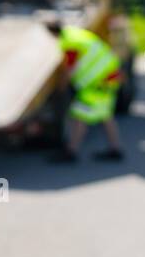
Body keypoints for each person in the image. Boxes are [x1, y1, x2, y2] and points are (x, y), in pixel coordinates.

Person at [44, 18, 124, 162]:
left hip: (98, 81)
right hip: (109, 76)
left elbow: (70, 68)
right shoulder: (75, 33)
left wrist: (62, 87)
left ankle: (71, 151)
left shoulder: (69, 42)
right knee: (105, 114)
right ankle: (115, 148)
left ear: (52, 33)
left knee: (80, 114)